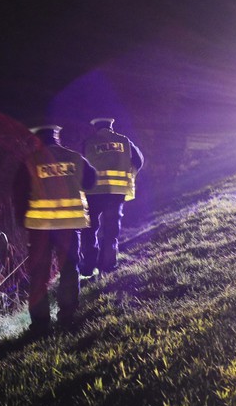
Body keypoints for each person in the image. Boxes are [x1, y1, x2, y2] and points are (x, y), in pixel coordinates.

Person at [13, 125, 96, 334]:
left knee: (39, 273)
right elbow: (91, 181)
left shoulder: (30, 162)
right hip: (69, 225)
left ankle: (40, 324)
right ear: (56, 137)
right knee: (69, 268)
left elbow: (19, 193)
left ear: (37, 139)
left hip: (40, 228)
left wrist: (21, 220)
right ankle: (68, 316)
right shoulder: (75, 158)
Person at [79, 117, 144, 276]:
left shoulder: (88, 142)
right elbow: (139, 161)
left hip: (93, 193)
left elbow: (80, 166)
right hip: (116, 192)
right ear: (111, 127)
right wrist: (130, 174)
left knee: (90, 229)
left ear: (95, 128)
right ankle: (107, 266)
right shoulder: (124, 141)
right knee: (111, 229)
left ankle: (88, 267)